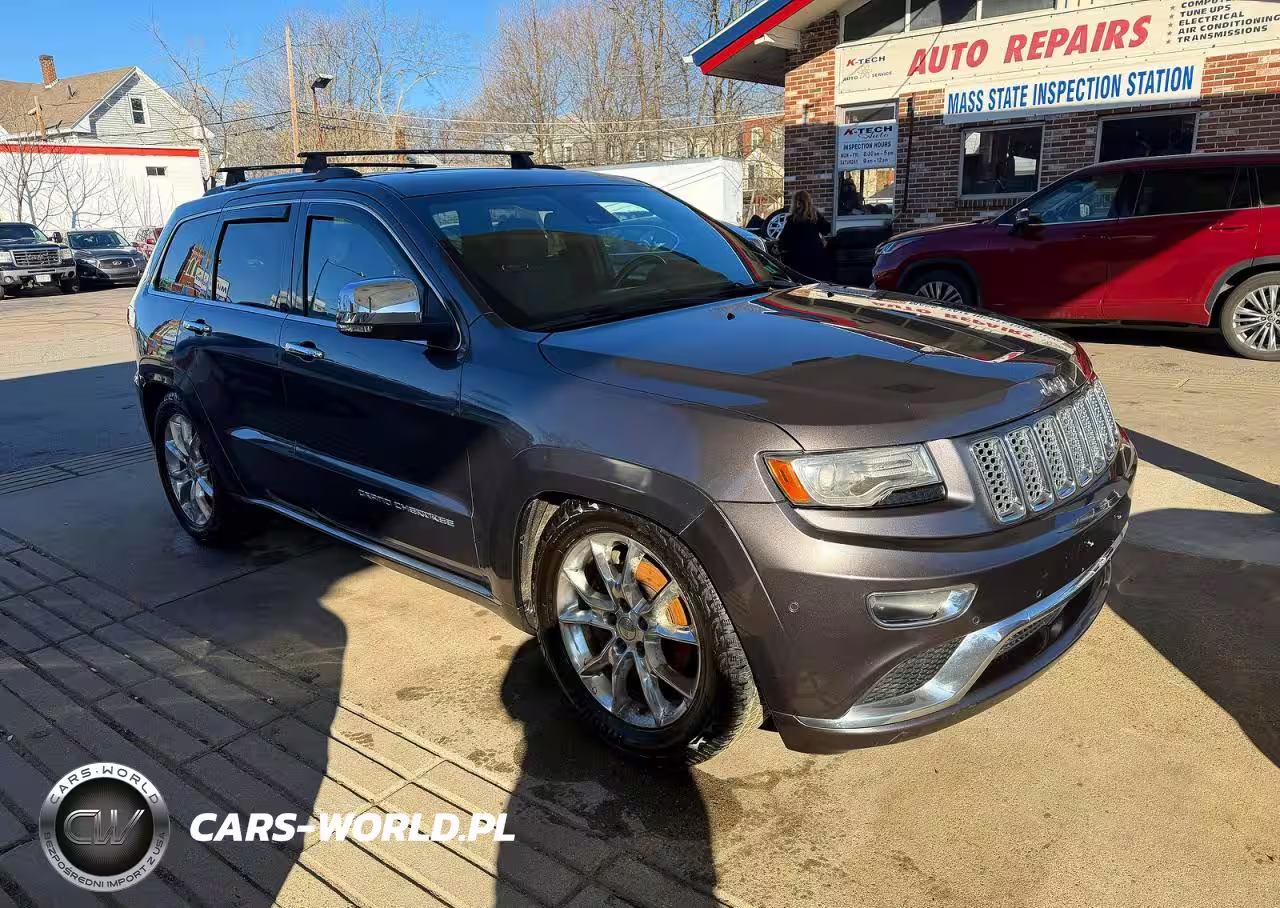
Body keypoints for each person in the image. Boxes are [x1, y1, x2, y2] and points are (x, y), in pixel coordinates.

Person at [777, 190, 831, 280]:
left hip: (798, 259)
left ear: (795, 203)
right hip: (816, 257)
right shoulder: (815, 216)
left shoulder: (792, 220)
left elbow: (783, 239)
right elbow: (826, 229)